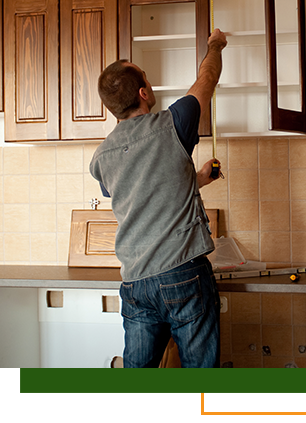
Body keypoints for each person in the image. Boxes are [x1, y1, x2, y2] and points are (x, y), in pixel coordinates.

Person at [89, 29, 228, 368]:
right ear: (144, 92)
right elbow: (207, 78)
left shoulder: (101, 158)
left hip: (136, 283)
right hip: (183, 273)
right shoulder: (174, 123)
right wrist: (215, 45)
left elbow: (142, 193)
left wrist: (195, 181)